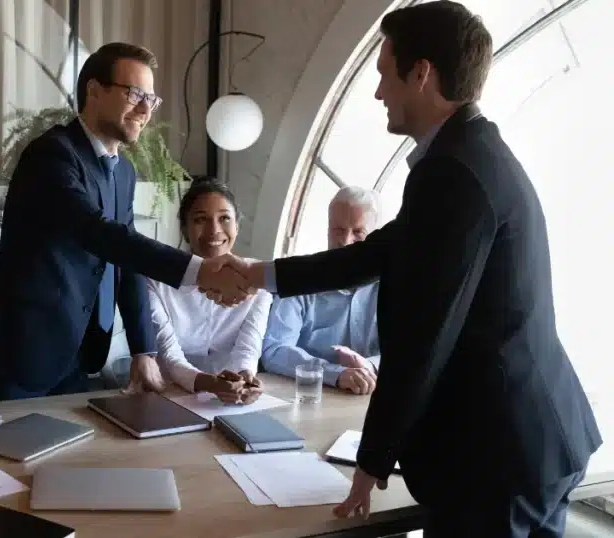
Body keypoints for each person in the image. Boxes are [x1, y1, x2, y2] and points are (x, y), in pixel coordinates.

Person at [230, 3, 601, 536]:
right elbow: (380, 253)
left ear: (421, 74)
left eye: (384, 73)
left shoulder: (454, 172)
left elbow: (423, 335)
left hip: (498, 455)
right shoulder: (469, 154)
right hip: (524, 439)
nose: (379, 92)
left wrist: (371, 462)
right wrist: (258, 274)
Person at [0, 42, 251, 403]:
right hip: (17, 354)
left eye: (152, 99)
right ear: (94, 91)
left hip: (77, 356)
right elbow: (96, 232)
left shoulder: (123, 173)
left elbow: (126, 261)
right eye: (134, 94)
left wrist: (143, 351)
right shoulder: (52, 154)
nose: (146, 109)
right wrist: (200, 270)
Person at [128, 178, 271, 403]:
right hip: (168, 395)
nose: (214, 230)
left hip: (229, 400)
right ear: (184, 230)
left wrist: (246, 378)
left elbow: (249, 346)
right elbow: (169, 357)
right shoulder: (155, 280)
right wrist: (210, 383)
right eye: (201, 220)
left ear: (237, 226)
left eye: (224, 218)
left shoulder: (256, 280)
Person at [261, 186, 381, 396]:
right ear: (327, 229)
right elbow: (274, 350)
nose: (345, 241)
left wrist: (369, 366)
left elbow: (411, 350)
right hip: (309, 397)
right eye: (338, 230)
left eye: (358, 232)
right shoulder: (300, 280)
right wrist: (337, 374)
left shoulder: (393, 285)